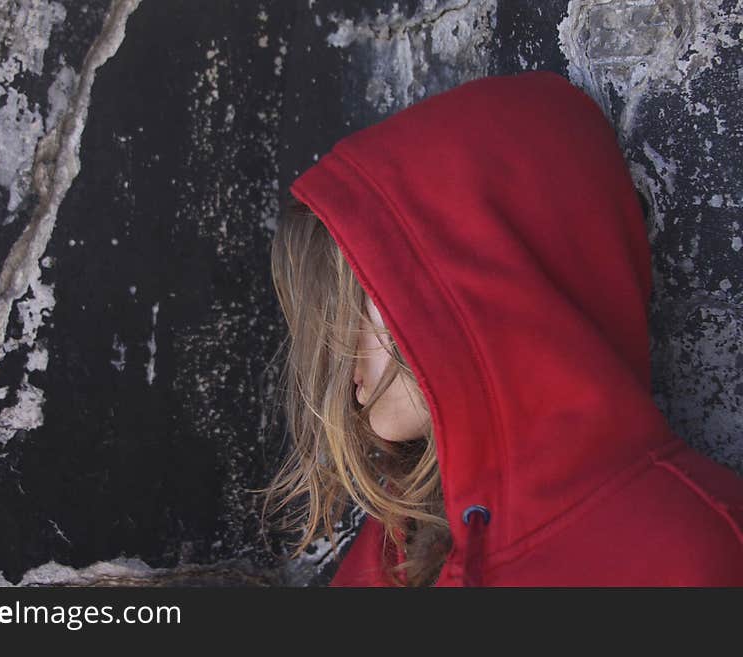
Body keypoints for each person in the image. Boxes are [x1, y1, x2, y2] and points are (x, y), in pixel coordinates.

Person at [258, 70, 743, 586]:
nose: (336, 359)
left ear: (491, 286)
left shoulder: (698, 555)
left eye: (359, 303)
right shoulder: (393, 553)